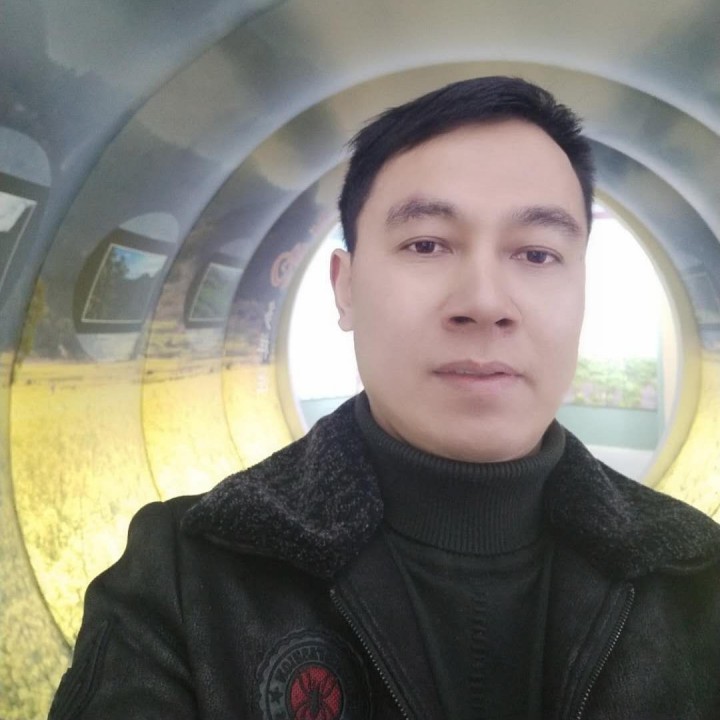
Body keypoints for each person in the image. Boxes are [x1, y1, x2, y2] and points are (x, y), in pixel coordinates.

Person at [49, 77, 720, 720]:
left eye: (537, 254)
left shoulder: (698, 576)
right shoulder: (185, 577)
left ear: (582, 290)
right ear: (344, 287)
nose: (485, 302)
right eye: (426, 244)